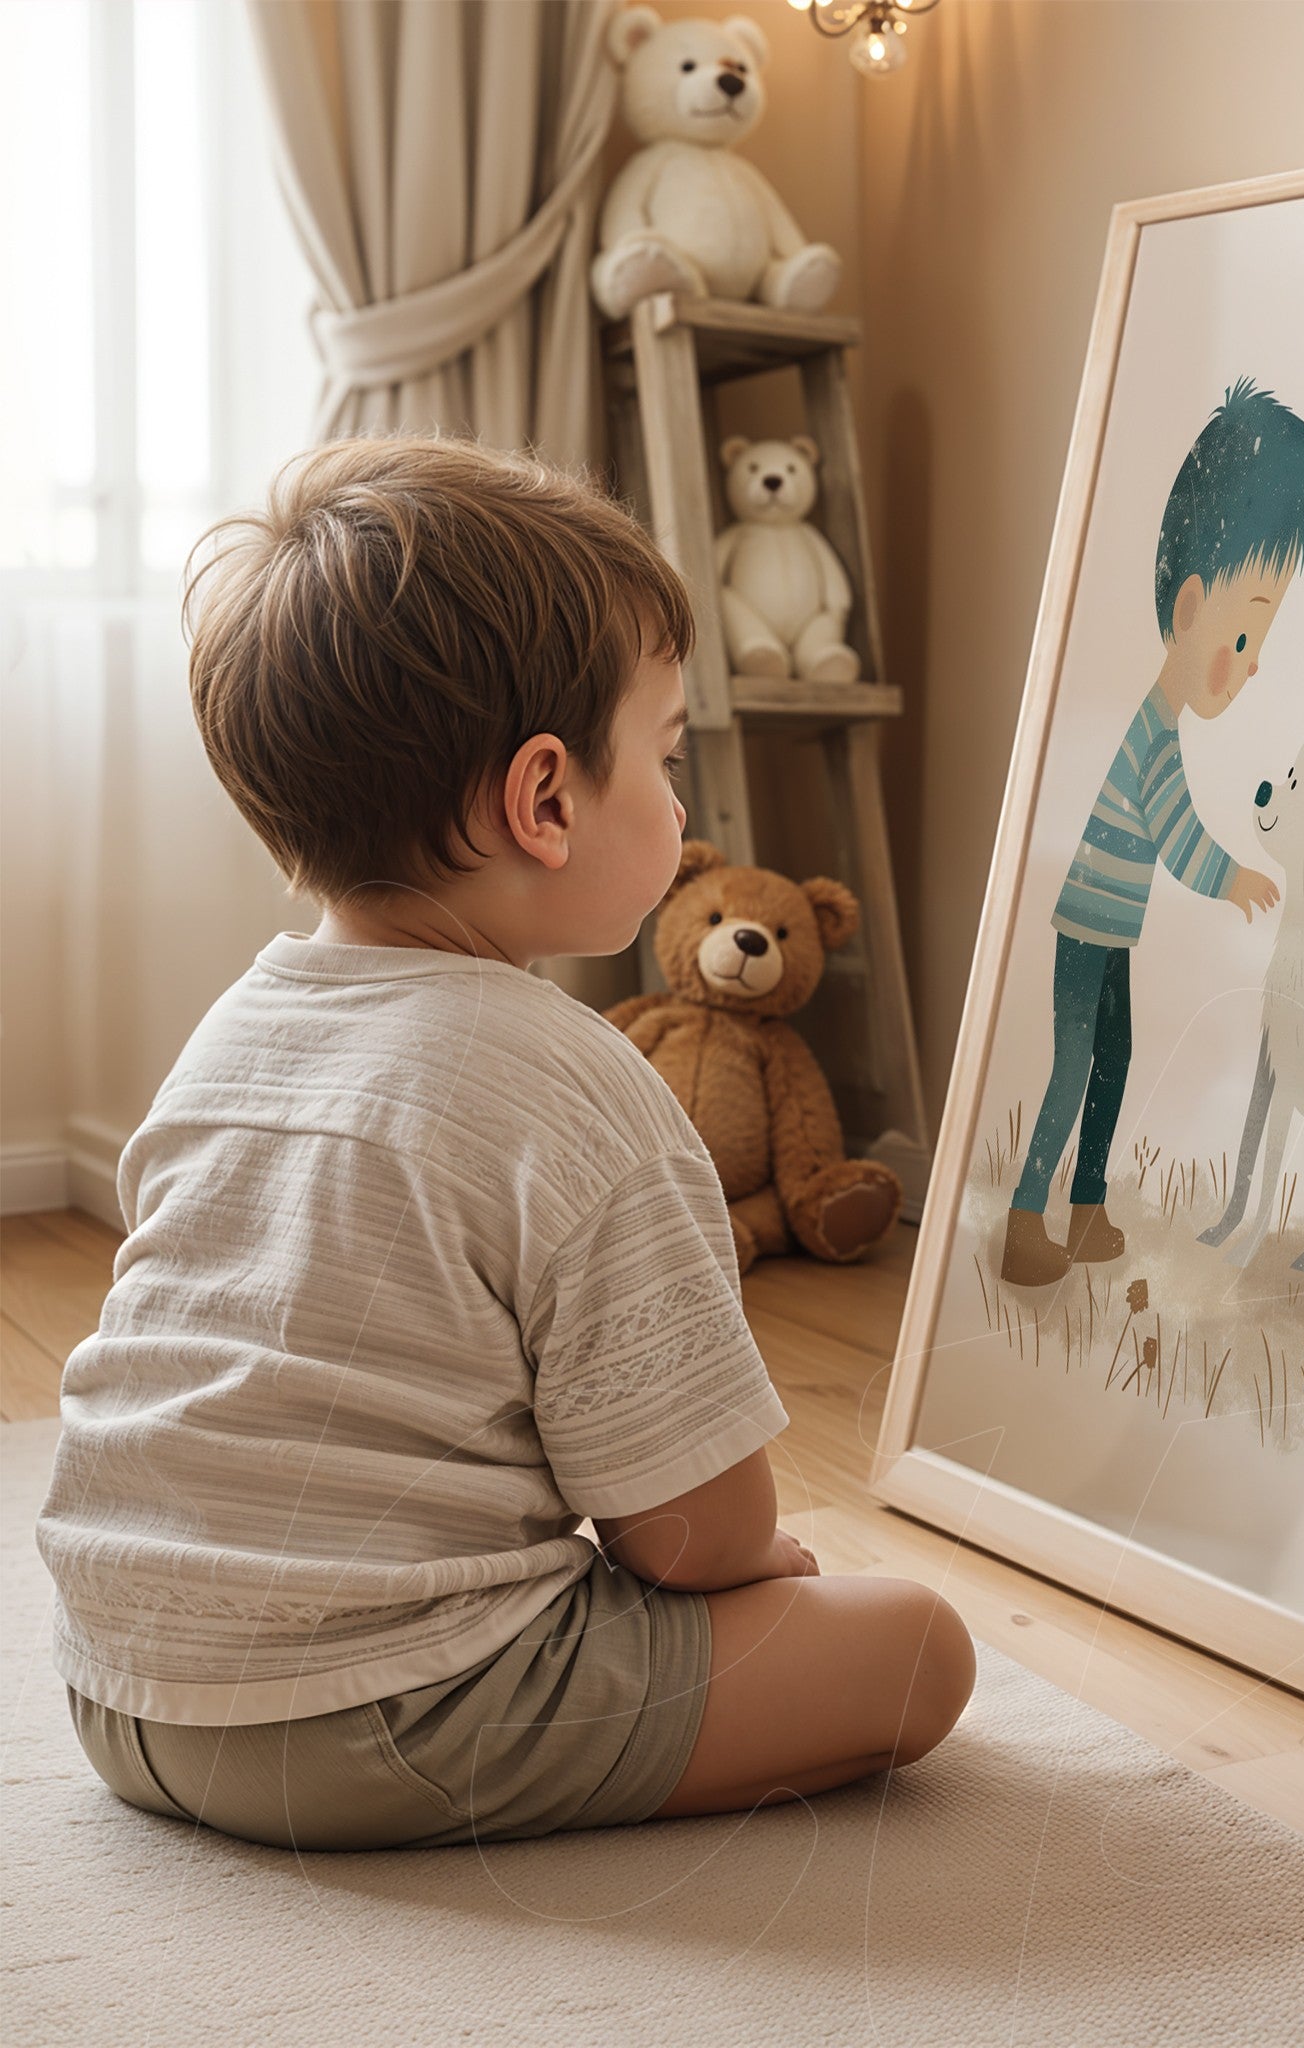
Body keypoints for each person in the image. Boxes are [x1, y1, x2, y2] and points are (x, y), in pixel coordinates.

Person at [34, 434, 974, 1851]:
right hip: (369, 1716)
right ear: (544, 803)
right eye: (663, 760)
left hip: (120, 1690)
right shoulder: (576, 1085)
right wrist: (760, 1568)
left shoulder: (234, 1031)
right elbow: (688, 1537)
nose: (681, 808)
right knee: (916, 1646)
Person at [1001, 377, 1304, 1287]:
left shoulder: (1161, 728)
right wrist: (1232, 878)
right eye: (1241, 637)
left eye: (1260, 647)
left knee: (1114, 1055)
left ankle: (1089, 1208)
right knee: (1076, 1065)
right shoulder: (1152, 739)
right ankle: (1030, 1218)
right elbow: (1176, 832)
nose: (1252, 666)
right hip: (1088, 932)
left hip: (1110, 932)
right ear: (1190, 610)